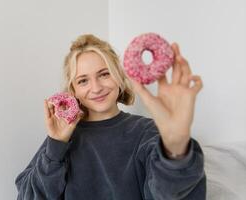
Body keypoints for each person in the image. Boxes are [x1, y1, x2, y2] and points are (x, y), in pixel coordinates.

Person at [15, 34, 205, 200]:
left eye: (104, 74)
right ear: (73, 91)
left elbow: (168, 193)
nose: (96, 88)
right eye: (83, 80)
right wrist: (55, 146)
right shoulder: (61, 141)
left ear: (119, 77)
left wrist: (175, 146)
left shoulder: (146, 132)